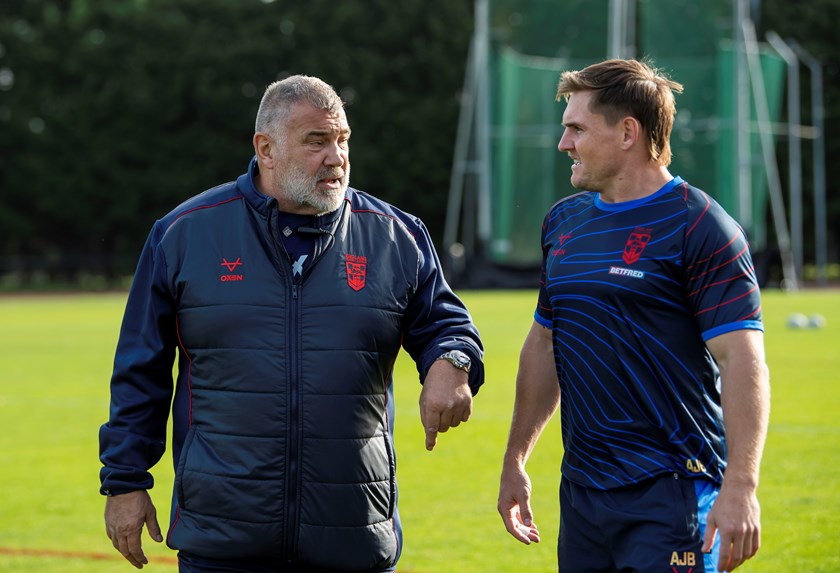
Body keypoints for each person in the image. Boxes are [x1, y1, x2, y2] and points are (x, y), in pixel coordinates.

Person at [99, 74, 484, 573]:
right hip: (223, 539)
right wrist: (126, 481)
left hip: (352, 536)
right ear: (266, 148)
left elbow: (447, 326)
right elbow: (140, 370)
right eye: (316, 141)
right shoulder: (184, 234)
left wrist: (453, 362)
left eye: (343, 140)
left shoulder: (396, 236)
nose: (336, 157)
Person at [497, 58, 770, 573]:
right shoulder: (564, 222)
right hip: (582, 495)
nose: (564, 144)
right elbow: (545, 344)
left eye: (576, 129)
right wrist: (516, 460)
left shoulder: (701, 227)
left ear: (628, 132)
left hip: (672, 493)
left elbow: (742, 361)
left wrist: (741, 486)